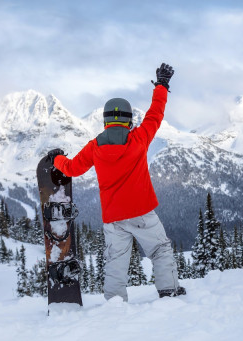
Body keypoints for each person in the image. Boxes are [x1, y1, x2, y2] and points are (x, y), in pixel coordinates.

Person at [48, 63, 185, 302]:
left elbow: (71, 168)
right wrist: (162, 85)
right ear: (128, 120)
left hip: (114, 217)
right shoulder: (139, 138)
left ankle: (115, 302)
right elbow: (155, 114)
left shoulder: (95, 146)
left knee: (116, 260)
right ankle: (169, 289)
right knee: (159, 249)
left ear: (106, 121)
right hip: (143, 211)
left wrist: (56, 159)